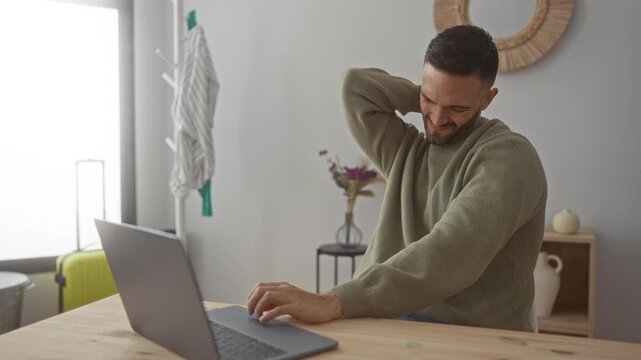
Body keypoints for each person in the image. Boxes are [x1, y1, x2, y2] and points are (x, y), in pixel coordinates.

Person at [246, 25, 547, 332]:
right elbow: (355, 87)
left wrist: (334, 300)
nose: (438, 120)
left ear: (487, 99)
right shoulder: (410, 150)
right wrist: (429, 95)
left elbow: (451, 252)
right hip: (382, 319)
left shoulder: (509, 157)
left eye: (457, 108)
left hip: (465, 334)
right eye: (429, 100)